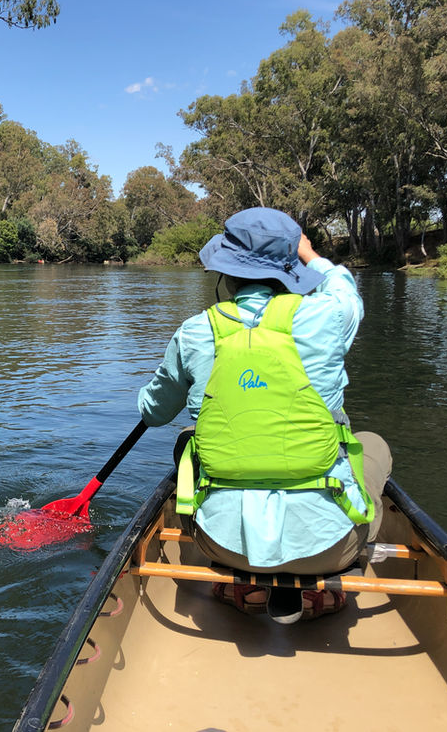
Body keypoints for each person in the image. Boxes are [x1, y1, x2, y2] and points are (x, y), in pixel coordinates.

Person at [138, 207, 392, 623]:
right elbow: (344, 290)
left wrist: (165, 387)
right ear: (292, 269)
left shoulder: (195, 331)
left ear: (224, 272)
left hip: (221, 545)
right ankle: (320, 586)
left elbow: (152, 413)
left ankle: (244, 582)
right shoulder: (328, 317)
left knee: (188, 439)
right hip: (329, 547)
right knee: (373, 446)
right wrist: (311, 255)